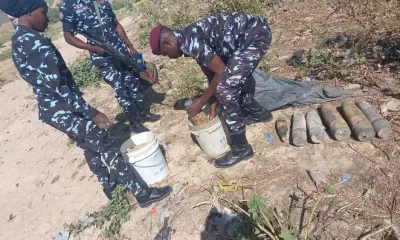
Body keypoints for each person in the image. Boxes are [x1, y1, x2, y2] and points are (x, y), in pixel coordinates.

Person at [0, 0, 171, 207]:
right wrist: (91, 112)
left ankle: (109, 185)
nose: (47, 17)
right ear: (29, 14)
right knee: (105, 142)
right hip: (65, 110)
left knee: (88, 146)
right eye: (43, 12)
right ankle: (142, 194)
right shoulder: (35, 44)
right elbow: (58, 89)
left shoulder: (20, 39)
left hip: (55, 110)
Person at [149, 12, 273, 168]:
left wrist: (202, 100)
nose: (169, 57)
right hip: (247, 38)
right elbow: (211, 71)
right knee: (226, 83)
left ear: (167, 43)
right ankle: (259, 114)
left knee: (226, 90)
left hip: (254, 37)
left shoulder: (190, 41)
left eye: (165, 54)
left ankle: (242, 148)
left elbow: (220, 71)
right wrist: (212, 102)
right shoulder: (186, 38)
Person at [59, 0, 160, 133]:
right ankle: (134, 123)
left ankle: (143, 113)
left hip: (121, 50)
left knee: (133, 81)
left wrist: (130, 46)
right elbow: (68, 37)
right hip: (102, 57)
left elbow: (116, 25)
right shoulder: (69, 5)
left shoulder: (101, 1)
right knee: (120, 88)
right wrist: (93, 48)